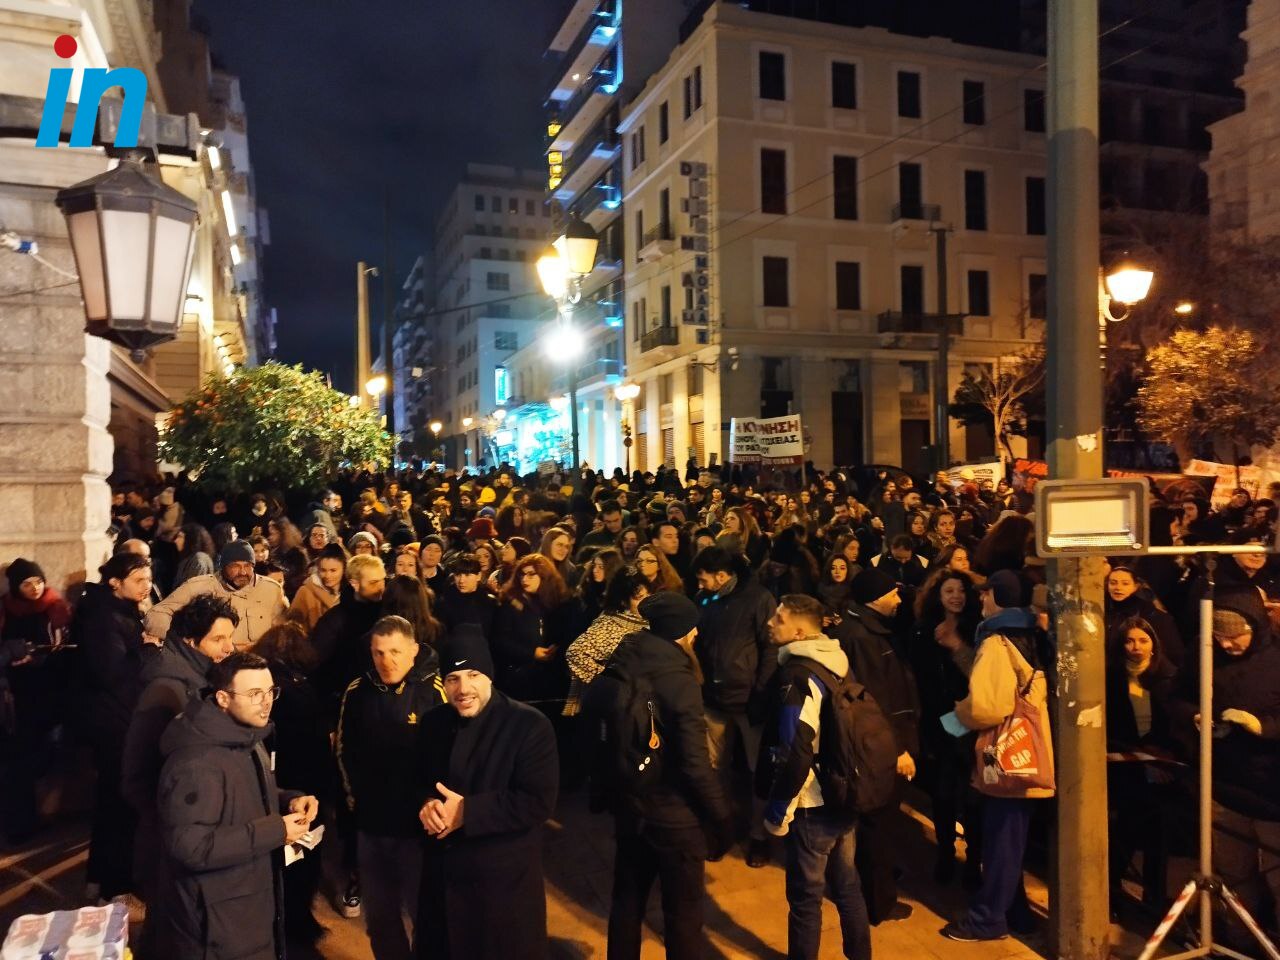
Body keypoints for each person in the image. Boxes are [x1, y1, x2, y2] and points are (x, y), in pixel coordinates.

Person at [588, 591, 733, 960]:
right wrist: (721, 816)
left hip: (630, 806)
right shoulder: (679, 681)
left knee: (627, 902)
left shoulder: (622, 663)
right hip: (675, 818)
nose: (696, 634)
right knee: (683, 917)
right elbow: (695, 763)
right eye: (692, 629)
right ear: (679, 633)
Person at [156, 652, 318, 960]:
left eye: (270, 691)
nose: (266, 702)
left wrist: (289, 800)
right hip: (217, 924)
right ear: (222, 698)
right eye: (254, 693)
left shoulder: (245, 736)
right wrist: (276, 831)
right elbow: (190, 847)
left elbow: (242, 793)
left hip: (245, 902)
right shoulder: (196, 764)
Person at [415, 626, 559, 960]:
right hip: (443, 881)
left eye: (473, 674)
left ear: (490, 675)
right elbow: (418, 780)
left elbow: (538, 802)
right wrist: (426, 803)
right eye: (453, 678)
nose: (463, 688)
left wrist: (468, 812)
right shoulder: (433, 723)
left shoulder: (529, 725)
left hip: (501, 887)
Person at [122, 595, 238, 957]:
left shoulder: (200, 678)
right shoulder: (167, 689)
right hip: (170, 838)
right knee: (171, 932)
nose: (229, 648)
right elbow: (136, 775)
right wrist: (170, 821)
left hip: (187, 830)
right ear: (190, 639)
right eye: (219, 639)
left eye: (230, 638)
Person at [758, 594, 872, 960]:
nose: (770, 623)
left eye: (779, 618)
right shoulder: (837, 663)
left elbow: (796, 749)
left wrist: (778, 813)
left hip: (813, 801)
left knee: (806, 898)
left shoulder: (798, 675)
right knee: (848, 886)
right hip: (845, 790)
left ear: (799, 631)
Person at [941, 570, 1053, 943]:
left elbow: (988, 706)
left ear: (999, 597)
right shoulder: (1033, 634)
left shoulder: (997, 641)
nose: (981, 599)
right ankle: (1017, 913)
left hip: (1005, 755)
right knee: (1013, 839)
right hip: (1030, 750)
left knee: (1001, 841)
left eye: (986, 593)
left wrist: (955, 718)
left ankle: (986, 919)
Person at [337, 616, 444, 960]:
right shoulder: (357, 691)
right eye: (378, 652)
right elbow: (344, 750)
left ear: (413, 650)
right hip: (372, 826)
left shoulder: (434, 692)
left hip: (418, 831)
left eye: (395, 651)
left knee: (426, 916)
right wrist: (356, 800)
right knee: (380, 919)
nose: (386, 661)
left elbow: (449, 758)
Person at [832, 567, 921, 923]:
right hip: (881, 746)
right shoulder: (863, 637)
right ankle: (878, 900)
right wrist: (898, 749)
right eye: (892, 594)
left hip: (879, 742)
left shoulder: (865, 628)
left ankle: (875, 881)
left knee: (876, 823)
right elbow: (877, 699)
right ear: (874, 598)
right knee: (878, 823)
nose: (898, 600)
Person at [1198, 588, 1280, 946]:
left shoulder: (1276, 660)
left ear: (1255, 627)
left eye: (1235, 636)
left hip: (1270, 792)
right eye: (1220, 637)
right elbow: (1179, 695)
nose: (1227, 644)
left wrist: (1262, 726)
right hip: (1227, 786)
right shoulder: (1206, 657)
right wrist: (1197, 716)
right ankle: (1238, 939)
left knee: (1277, 874)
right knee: (1233, 871)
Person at [73, 552, 154, 902]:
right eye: (139, 580)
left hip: (121, 717)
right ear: (115, 582)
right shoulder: (104, 618)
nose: (147, 585)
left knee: (115, 800)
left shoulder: (121, 609)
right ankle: (113, 884)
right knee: (118, 801)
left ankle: (102, 878)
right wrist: (147, 651)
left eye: (148, 578)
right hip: (114, 723)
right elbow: (113, 672)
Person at [690, 546, 777, 867]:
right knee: (715, 769)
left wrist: (760, 693)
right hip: (713, 699)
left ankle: (759, 835)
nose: (700, 584)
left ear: (722, 576)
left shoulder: (759, 599)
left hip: (748, 701)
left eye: (704, 579)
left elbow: (770, 648)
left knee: (758, 771)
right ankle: (721, 829)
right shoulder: (704, 599)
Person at [252, 621, 330, 946]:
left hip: (273, 787)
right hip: (305, 791)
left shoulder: (261, 690)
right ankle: (298, 927)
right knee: (302, 863)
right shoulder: (304, 690)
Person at [910, 567, 983, 885]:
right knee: (944, 793)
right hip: (940, 722)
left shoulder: (977, 629)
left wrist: (957, 647)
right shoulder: (923, 631)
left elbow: (982, 676)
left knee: (973, 794)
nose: (956, 596)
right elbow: (919, 679)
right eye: (949, 591)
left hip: (972, 720)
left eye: (961, 590)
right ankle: (945, 851)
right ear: (937, 596)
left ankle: (975, 858)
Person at [1105, 615, 1179, 909]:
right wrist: (1137, 753)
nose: (1136, 647)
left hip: (1160, 764)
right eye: (1130, 641)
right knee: (1125, 830)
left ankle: (1154, 899)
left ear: (1154, 644)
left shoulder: (1169, 677)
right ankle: (1111, 893)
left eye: (1143, 640)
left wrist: (1158, 755)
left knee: (1158, 837)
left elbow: (1173, 722)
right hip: (1126, 763)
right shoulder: (1111, 677)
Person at [0, 558, 72, 843]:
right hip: (16, 699)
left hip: (49, 693)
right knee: (19, 761)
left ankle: (31, 816)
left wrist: (44, 659)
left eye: (38, 582)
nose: (34, 588)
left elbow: (64, 649)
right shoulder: (5, 610)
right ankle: (21, 823)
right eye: (27, 584)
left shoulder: (55, 608)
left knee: (45, 754)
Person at [146, 540, 288, 649]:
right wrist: (183, 641)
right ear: (223, 567)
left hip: (259, 664)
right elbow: (156, 613)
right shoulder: (199, 586)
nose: (243, 572)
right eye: (235, 566)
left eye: (247, 566)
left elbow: (282, 632)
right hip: (214, 665)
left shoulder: (271, 589)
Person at [563, 565, 649, 716]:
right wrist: (610, 682)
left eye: (648, 595)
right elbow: (575, 652)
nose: (646, 601)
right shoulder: (610, 624)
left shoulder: (650, 620)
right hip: (618, 707)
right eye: (639, 598)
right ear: (623, 601)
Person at [493, 553, 573, 708]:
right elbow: (500, 640)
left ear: (544, 577)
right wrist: (531, 653)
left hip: (550, 679)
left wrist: (556, 649)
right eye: (522, 574)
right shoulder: (510, 603)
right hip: (519, 678)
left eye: (531, 574)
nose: (525, 579)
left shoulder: (557, 602)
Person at [433, 553, 498, 641]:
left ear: (478, 576)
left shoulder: (491, 603)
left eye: (467, 575)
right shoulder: (443, 604)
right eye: (458, 575)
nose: (461, 580)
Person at [289, 543, 347, 634]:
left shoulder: (352, 593)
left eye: (333, 570)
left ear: (344, 569)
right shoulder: (305, 592)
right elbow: (291, 629)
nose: (327, 575)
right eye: (323, 570)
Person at [171, 523, 216, 589]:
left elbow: (192, 590)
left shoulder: (199, 559)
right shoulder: (186, 559)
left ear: (191, 539)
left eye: (180, 537)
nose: (175, 541)